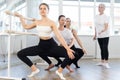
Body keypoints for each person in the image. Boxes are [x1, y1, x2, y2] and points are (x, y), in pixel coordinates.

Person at [15, 3, 75, 80]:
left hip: (51, 45)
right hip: (41, 45)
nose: (42, 10)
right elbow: (26, 26)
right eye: (41, 8)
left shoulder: (52, 22)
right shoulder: (37, 22)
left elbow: (59, 36)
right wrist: (20, 17)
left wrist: (67, 48)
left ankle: (59, 71)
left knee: (72, 54)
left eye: (44, 8)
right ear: (39, 11)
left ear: (48, 11)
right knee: (20, 54)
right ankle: (34, 69)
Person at [93, 3, 111, 68]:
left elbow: (106, 27)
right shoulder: (96, 16)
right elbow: (96, 26)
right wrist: (95, 34)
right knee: (101, 48)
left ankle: (106, 62)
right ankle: (102, 61)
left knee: (105, 48)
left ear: (104, 8)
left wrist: (101, 31)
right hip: (99, 35)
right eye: (99, 7)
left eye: (101, 7)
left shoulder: (106, 16)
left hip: (105, 35)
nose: (99, 8)